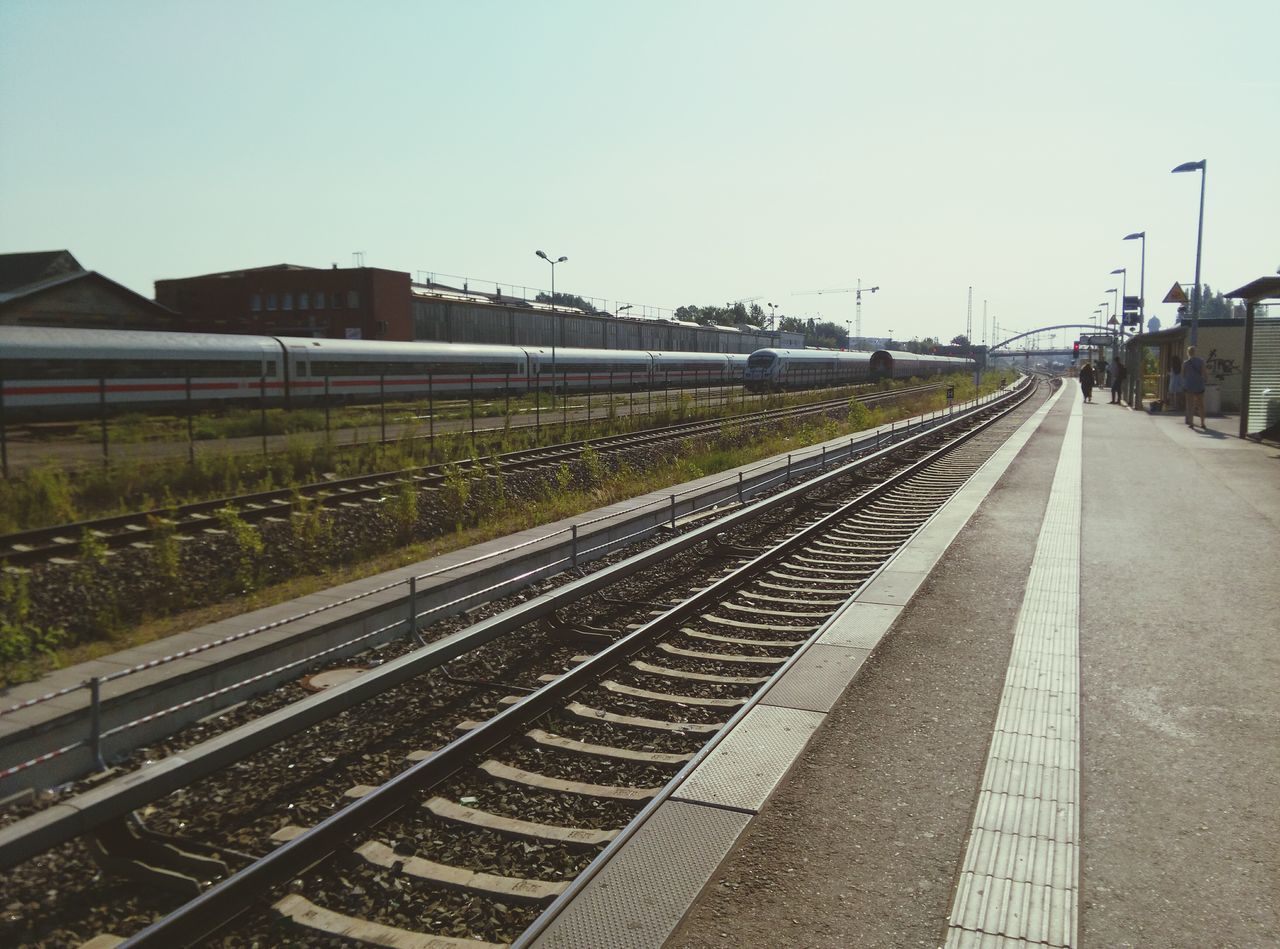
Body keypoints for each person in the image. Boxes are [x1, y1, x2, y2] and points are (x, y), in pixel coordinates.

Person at [1181, 345, 1206, 429]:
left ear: (1187, 353)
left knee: (1190, 405)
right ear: (1195, 352)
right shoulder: (1201, 361)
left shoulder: (1185, 363)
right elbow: (1203, 373)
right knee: (1201, 405)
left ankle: (1191, 422)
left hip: (1189, 385)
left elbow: (1183, 375)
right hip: (1199, 385)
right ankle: (1202, 423)